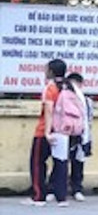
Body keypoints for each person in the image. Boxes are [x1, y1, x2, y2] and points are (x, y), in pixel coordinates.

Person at [25, 59, 66, 207]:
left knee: (37, 163)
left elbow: (48, 110)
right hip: (63, 131)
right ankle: (60, 196)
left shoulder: (50, 88)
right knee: (60, 163)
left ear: (51, 71)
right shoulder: (68, 88)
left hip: (44, 131)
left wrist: (47, 132)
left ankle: (39, 196)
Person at [65, 71, 95, 202]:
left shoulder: (87, 101)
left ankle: (77, 189)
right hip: (66, 133)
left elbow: (89, 119)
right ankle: (55, 189)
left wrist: (86, 137)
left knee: (78, 163)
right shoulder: (63, 98)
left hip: (81, 134)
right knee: (61, 163)